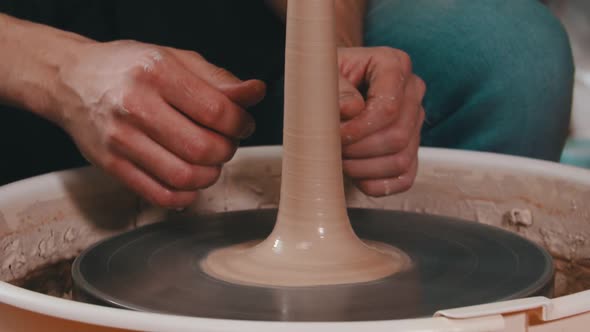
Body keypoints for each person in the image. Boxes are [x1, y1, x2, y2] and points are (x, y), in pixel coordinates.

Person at [0, 0, 574, 208]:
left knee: (509, 55)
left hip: (219, 41)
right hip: (20, 63)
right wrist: (60, 72)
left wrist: (332, 52)